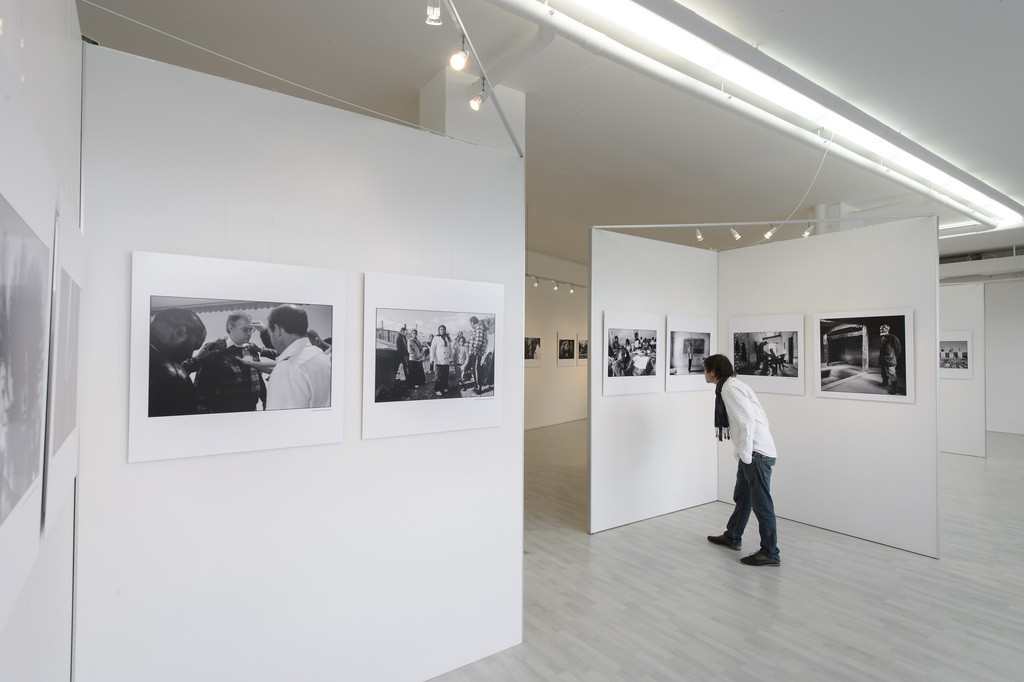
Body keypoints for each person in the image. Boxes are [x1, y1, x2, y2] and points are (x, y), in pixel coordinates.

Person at [703, 353, 780, 567]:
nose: (703, 373)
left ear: (714, 372)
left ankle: (770, 552)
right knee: (743, 497)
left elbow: (747, 422)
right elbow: (759, 416)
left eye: (705, 369)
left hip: (756, 453)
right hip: (753, 450)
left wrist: (746, 453)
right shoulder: (733, 385)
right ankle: (733, 536)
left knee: (761, 504)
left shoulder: (729, 389)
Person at [188, 312, 274, 413]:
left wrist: (265, 399)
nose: (249, 333)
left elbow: (257, 376)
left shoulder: (252, 348)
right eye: (245, 329)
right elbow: (202, 388)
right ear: (231, 327)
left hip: (251, 410)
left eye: (251, 329)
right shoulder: (215, 350)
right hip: (224, 413)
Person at [262, 304, 331, 409]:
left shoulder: (287, 370)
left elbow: (281, 422)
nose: (270, 338)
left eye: (269, 333)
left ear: (277, 330)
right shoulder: (319, 355)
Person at [149, 308, 207, 417]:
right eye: (194, 346)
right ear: (180, 333)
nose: (190, 355)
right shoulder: (175, 375)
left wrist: (195, 361)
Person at [878, 324, 902, 394]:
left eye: (884, 329)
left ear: (887, 330)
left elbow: (898, 349)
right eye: (881, 329)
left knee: (891, 373)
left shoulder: (893, 337)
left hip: (890, 359)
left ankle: (894, 388)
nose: (882, 330)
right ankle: (885, 383)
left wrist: (894, 357)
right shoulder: (882, 338)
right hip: (883, 359)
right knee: (884, 372)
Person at [430, 324, 453, 396]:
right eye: (441, 329)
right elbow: (432, 349)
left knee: (445, 375)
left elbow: (450, 349)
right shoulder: (436, 338)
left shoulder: (447, 338)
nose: (442, 331)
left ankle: (444, 387)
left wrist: (451, 358)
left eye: (443, 329)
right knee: (438, 375)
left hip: (446, 361)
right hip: (439, 360)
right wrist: (432, 359)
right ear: (439, 330)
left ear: (445, 330)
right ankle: (437, 389)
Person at [468, 316, 488, 393]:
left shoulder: (479, 328)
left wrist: (475, 351)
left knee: (477, 369)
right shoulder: (476, 329)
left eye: (470, 323)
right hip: (475, 353)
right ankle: (477, 385)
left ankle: (479, 387)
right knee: (476, 369)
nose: (470, 324)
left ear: (472, 322)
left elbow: (478, 342)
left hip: (477, 353)